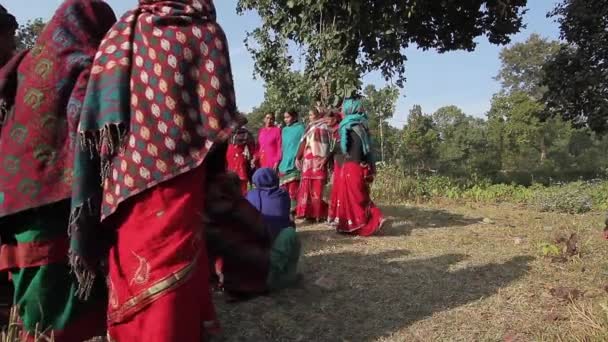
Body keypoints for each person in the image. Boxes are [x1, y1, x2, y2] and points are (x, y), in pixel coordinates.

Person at [68, 1, 244, 341]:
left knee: (133, 269)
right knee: (175, 275)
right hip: (182, 179)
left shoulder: (120, 35)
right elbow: (219, 121)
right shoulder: (206, 33)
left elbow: (94, 118)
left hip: (125, 180)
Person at [0, 1, 116, 340]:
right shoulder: (75, 69)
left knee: (32, 300)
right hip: (47, 206)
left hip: (15, 202)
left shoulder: (25, 66)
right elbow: (86, 119)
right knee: (51, 309)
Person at [332, 97, 387, 236]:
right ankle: (354, 226)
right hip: (361, 165)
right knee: (360, 196)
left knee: (353, 199)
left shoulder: (346, 125)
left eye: (344, 108)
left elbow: (345, 149)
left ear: (348, 109)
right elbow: (366, 150)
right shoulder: (362, 125)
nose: (342, 111)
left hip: (350, 165)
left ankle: (373, 219)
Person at [246, 168, 300, 290]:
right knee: (290, 232)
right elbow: (286, 219)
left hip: (251, 253)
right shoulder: (283, 195)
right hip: (272, 247)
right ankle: (285, 276)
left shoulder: (250, 196)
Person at [295, 108, 332, 222]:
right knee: (306, 186)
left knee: (318, 187)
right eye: (309, 115)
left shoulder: (324, 126)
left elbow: (327, 145)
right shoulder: (309, 127)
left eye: (312, 114)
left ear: (318, 115)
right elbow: (303, 142)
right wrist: (298, 157)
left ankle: (318, 214)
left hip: (319, 159)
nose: (310, 117)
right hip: (308, 159)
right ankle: (306, 213)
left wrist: (326, 158)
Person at [277, 110, 305, 212]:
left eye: (288, 117)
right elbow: (282, 146)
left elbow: (303, 143)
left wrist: (299, 157)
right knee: (283, 190)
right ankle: (285, 209)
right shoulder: (284, 130)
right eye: (285, 117)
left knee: (293, 190)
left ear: (294, 117)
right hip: (284, 162)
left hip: (295, 161)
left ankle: (295, 210)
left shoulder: (301, 128)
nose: (286, 120)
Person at [226, 126, 256, 195]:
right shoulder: (227, 131)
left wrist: (251, 158)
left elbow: (252, 147)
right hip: (229, 160)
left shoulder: (246, 133)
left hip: (239, 159)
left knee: (241, 181)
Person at [326, 110, 342, 224]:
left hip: (341, 162)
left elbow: (334, 149)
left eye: (328, 119)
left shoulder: (339, 130)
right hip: (336, 163)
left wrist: (324, 160)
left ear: (335, 119)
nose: (326, 121)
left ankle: (338, 216)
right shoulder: (332, 131)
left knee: (338, 189)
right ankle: (334, 216)